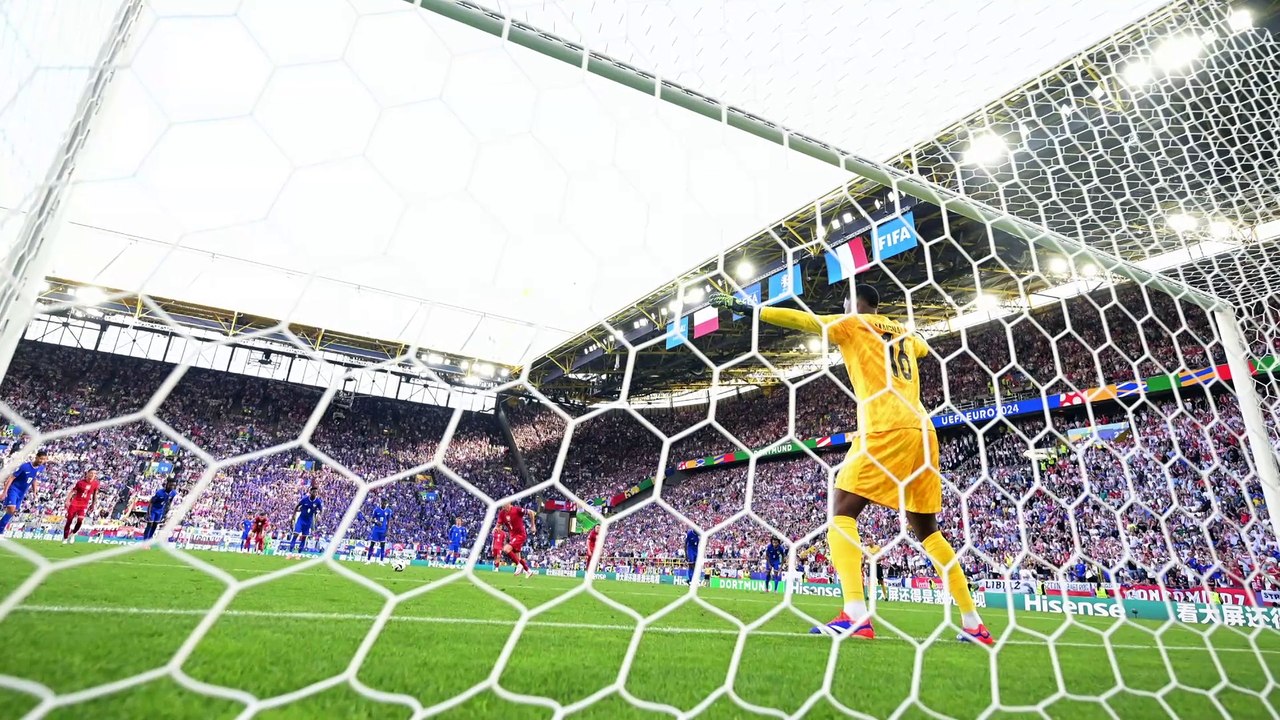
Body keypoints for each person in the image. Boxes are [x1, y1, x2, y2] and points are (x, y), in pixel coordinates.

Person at [711, 284, 992, 644]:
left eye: (844, 305)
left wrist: (753, 310)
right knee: (928, 531)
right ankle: (974, 624)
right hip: (923, 431)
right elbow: (921, 347)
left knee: (841, 512)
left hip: (884, 426)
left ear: (851, 304)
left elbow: (805, 321)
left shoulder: (852, 323)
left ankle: (856, 615)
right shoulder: (901, 329)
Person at [0, 449, 48, 535]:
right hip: (14, 489)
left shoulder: (41, 468)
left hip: (22, 492)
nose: (42, 461)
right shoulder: (25, 466)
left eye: (44, 459)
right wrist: (4, 492)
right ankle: (0, 530)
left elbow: (34, 479)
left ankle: (1, 529)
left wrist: (34, 492)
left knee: (12, 511)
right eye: (40, 458)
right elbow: (11, 478)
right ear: (36, 457)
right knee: (11, 509)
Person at [63, 469, 101, 543]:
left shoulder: (95, 484)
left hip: (83, 505)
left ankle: (73, 534)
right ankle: (65, 538)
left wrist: (93, 504)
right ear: (87, 473)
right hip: (75, 503)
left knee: (80, 520)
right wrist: (67, 500)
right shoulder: (80, 482)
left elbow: (94, 495)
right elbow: (73, 491)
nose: (92, 475)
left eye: (94, 473)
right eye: (91, 473)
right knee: (69, 521)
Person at [497, 502, 534, 577]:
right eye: (503, 505)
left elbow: (531, 512)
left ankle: (519, 565)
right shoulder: (502, 513)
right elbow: (499, 524)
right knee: (518, 557)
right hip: (512, 536)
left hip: (520, 535)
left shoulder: (517, 510)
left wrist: (533, 525)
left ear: (509, 503)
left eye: (505, 505)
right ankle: (528, 571)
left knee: (506, 549)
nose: (503, 507)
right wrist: (496, 528)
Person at [288, 485, 323, 555]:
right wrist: (293, 515)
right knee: (296, 534)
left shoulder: (318, 501)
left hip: (308, 521)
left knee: (304, 537)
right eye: (314, 492)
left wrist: (319, 515)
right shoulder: (305, 499)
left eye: (316, 492)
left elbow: (321, 510)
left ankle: (299, 552)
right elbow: (297, 505)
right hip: (301, 519)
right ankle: (290, 550)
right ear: (310, 492)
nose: (315, 493)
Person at [141, 477, 178, 542]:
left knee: (155, 526)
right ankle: (145, 541)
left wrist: (166, 511)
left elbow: (169, 502)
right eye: (171, 485)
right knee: (150, 524)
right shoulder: (159, 492)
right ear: (167, 484)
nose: (172, 487)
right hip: (153, 509)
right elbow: (151, 502)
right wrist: (148, 513)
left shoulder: (173, 493)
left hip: (160, 510)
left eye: (174, 485)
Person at [362, 498, 392, 564]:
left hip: (383, 530)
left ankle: (381, 561)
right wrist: (376, 522)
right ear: (381, 503)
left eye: (386, 503)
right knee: (372, 544)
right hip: (376, 530)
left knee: (382, 545)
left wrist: (387, 531)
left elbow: (389, 521)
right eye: (384, 503)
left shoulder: (388, 511)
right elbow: (371, 519)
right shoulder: (376, 510)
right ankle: (368, 560)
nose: (385, 504)